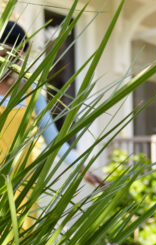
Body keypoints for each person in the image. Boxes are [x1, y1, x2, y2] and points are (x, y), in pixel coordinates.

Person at [1, 21, 103, 186]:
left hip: (20, 187)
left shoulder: (30, 91)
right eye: (5, 53)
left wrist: (82, 169)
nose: (9, 61)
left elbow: (54, 140)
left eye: (15, 56)